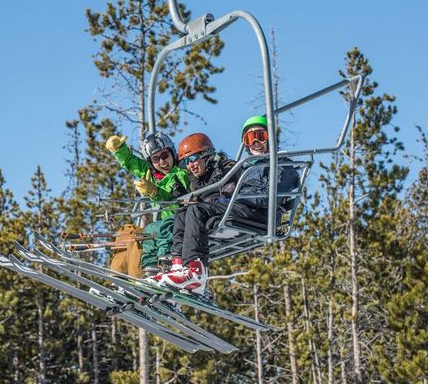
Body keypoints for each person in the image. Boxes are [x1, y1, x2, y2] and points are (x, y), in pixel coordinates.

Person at [154, 117, 299, 296]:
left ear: (269, 137)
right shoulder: (249, 166)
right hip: (244, 208)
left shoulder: (282, 164)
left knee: (197, 210)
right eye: (249, 138)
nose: (255, 142)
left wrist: (230, 198)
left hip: (260, 214)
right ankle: (177, 267)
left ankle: (195, 270)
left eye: (260, 136)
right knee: (182, 214)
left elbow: (267, 198)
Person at [106, 132, 189, 277]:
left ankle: (166, 266)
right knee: (137, 233)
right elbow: (131, 162)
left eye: (164, 156)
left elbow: (178, 199)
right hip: (165, 221)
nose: (162, 162)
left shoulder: (181, 172)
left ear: (172, 153)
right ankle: (133, 274)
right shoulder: (149, 172)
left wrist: (155, 192)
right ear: (151, 162)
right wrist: (119, 150)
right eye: (156, 159)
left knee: (157, 229)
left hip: (180, 218)